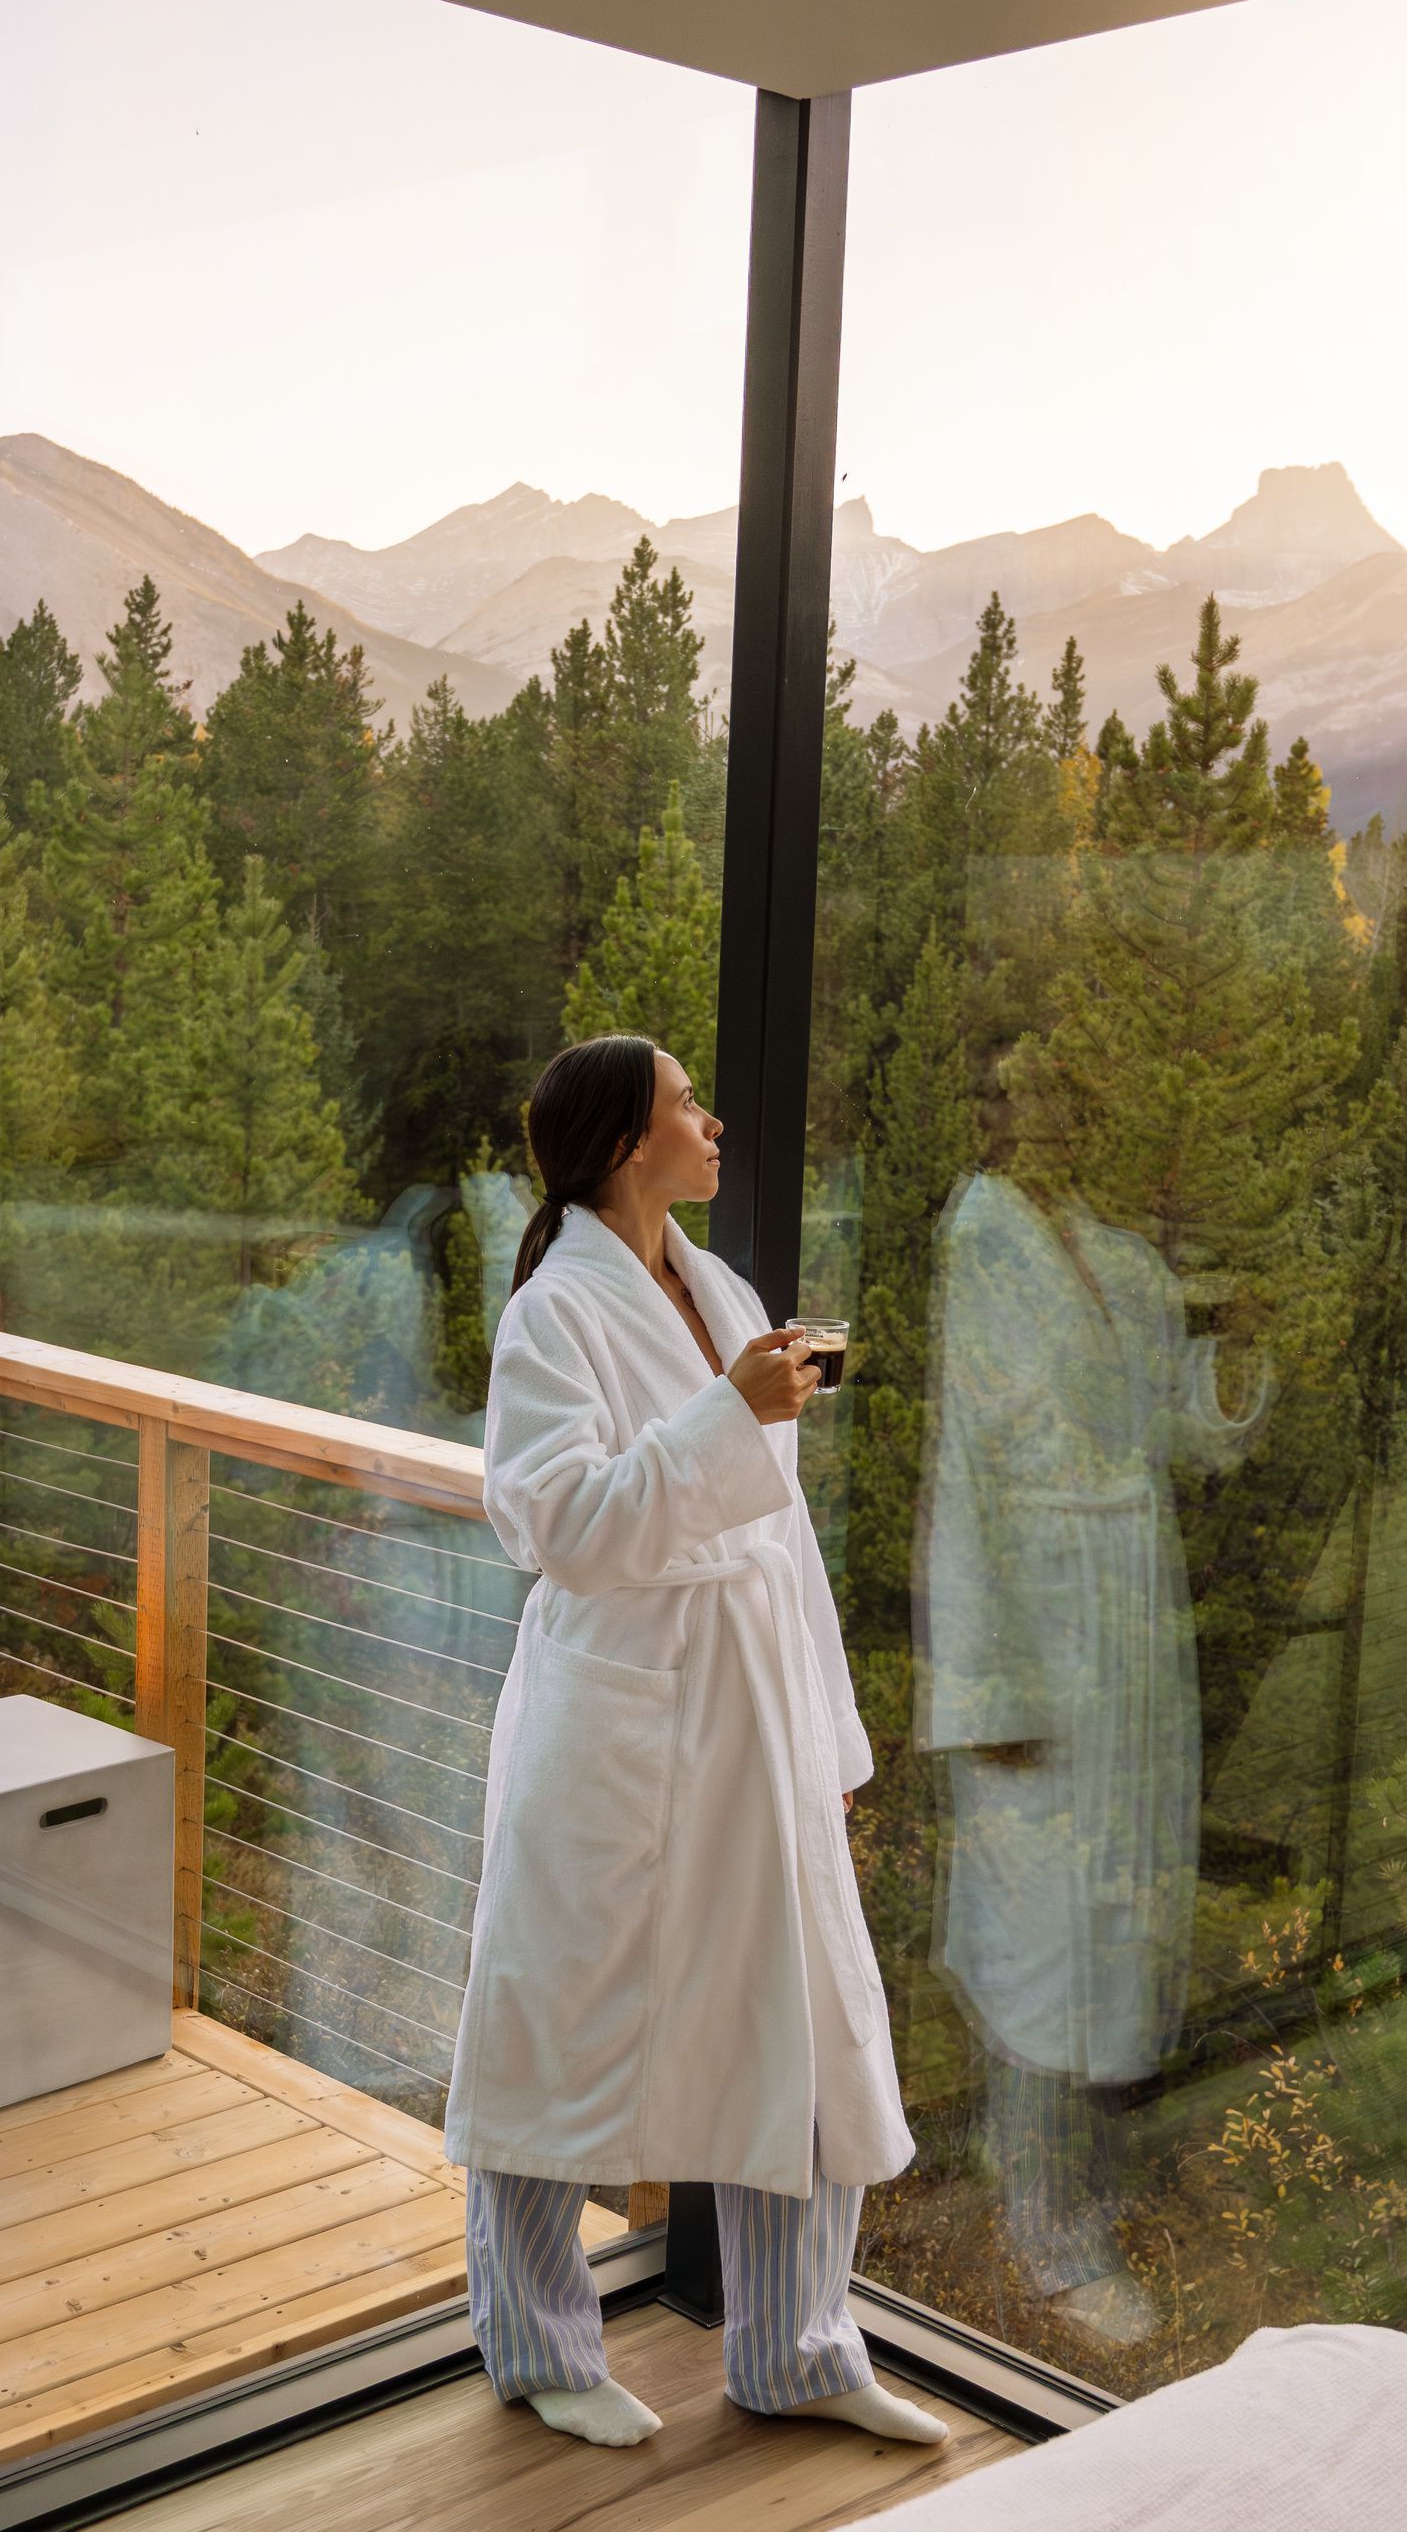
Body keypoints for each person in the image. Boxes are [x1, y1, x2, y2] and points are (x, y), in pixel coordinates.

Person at [444, 1033, 938, 2450]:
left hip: (748, 1703)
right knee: (561, 2015)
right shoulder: (554, 1313)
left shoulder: (717, 1287)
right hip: (623, 1710)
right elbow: (561, 1527)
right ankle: (538, 2346)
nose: (714, 1125)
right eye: (686, 1108)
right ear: (619, 1145)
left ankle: (797, 2348)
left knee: (809, 2013)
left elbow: (773, 1540)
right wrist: (731, 1411)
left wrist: (824, 1738)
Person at [913, 1171, 1265, 2344]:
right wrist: (981, 1677)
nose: (1041, 1109)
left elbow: (1190, 1438)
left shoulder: (1122, 1253)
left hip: (1130, 1610)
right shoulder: (984, 1234)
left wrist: (1244, 1350)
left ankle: (1071, 2169)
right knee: (1040, 1913)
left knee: (1118, 1898)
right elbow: (963, 1457)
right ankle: (1045, 2224)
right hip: (1035, 1614)